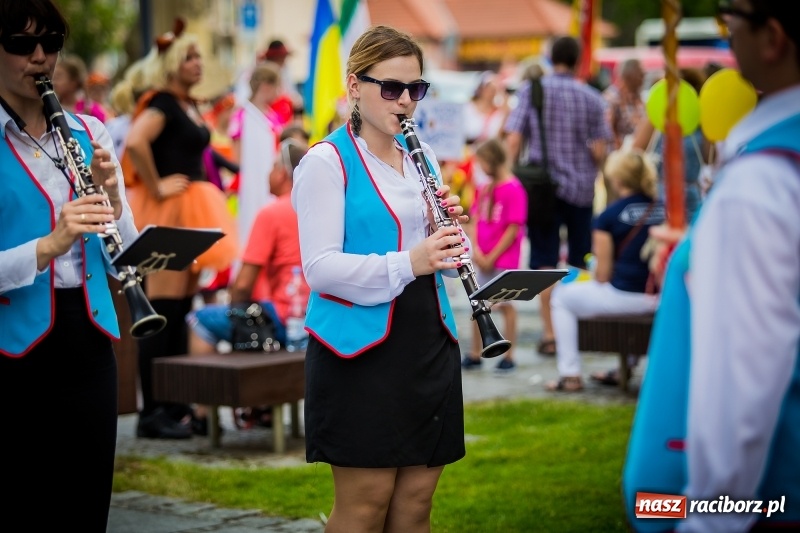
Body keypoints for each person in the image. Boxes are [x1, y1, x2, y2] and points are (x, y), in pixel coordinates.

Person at [623, 1, 800, 531]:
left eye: (732, 22)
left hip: (764, 499)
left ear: (772, 38)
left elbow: (743, 384)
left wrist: (707, 517)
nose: (728, 38)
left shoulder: (762, 182)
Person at [292, 25, 469, 532]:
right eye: (391, 88)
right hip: (358, 350)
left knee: (416, 504)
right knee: (365, 506)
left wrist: (449, 236)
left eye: (417, 89)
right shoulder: (325, 162)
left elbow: (439, 249)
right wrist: (409, 261)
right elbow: (319, 269)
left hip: (427, 338)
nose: (407, 101)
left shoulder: (424, 156)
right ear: (354, 86)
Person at [0, 0, 136, 529]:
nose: (40, 57)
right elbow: (51, 245)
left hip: (88, 341)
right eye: (21, 45)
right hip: (12, 348)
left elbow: (123, 249)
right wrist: (50, 244)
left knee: (85, 504)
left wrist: (115, 204)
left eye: (51, 43)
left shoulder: (90, 133)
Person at [124, 23, 238, 439]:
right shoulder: (163, 104)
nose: (197, 63)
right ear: (173, 63)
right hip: (170, 210)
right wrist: (156, 185)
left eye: (198, 57)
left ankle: (173, 405)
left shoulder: (186, 104)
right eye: (190, 57)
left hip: (192, 208)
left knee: (180, 311)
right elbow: (135, 142)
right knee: (163, 311)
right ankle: (152, 412)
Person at [504, 36, 613, 357]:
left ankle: (551, 333)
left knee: (544, 262)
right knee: (579, 261)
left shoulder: (533, 89)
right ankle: (575, 330)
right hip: (581, 189)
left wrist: (510, 178)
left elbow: (513, 139)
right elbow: (600, 149)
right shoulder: (593, 98)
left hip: (543, 191)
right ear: (579, 61)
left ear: (551, 58)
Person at [544, 150, 663, 392]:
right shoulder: (665, 209)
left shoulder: (609, 216)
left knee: (561, 298)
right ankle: (625, 369)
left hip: (625, 296)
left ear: (617, 180)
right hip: (662, 297)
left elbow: (603, 275)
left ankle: (570, 374)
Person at [461, 138, 527, 372]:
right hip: (483, 256)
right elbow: (476, 219)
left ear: (493, 161)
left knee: (506, 304)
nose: (480, 168)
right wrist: (477, 250)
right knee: (478, 304)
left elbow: (513, 228)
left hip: (504, 259)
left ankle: (509, 355)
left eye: (482, 163)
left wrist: (492, 255)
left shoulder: (513, 188)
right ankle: (475, 352)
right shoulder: (484, 188)